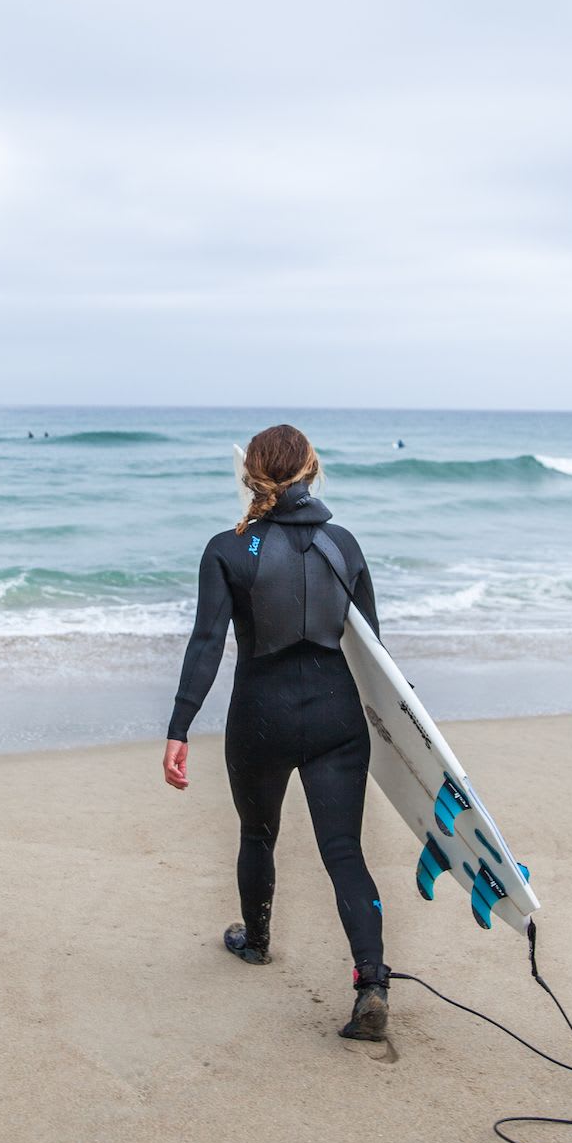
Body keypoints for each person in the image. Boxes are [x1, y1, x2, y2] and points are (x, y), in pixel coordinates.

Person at [162, 424, 391, 1041]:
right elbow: (374, 654)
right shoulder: (344, 544)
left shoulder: (227, 548)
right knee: (344, 851)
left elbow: (207, 643)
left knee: (258, 833)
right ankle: (371, 982)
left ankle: (256, 941)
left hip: (260, 715)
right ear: (312, 470)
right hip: (336, 716)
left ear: (250, 476)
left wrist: (180, 726)